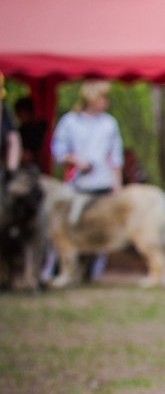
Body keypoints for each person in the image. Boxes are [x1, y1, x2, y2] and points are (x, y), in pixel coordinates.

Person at [48, 80, 124, 280]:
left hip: (103, 184)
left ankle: (92, 273)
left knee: (100, 228)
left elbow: (115, 157)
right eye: (102, 97)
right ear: (91, 98)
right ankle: (60, 270)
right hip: (77, 184)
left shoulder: (109, 123)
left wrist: (117, 186)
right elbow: (58, 150)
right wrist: (76, 161)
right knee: (68, 227)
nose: (106, 102)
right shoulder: (70, 121)